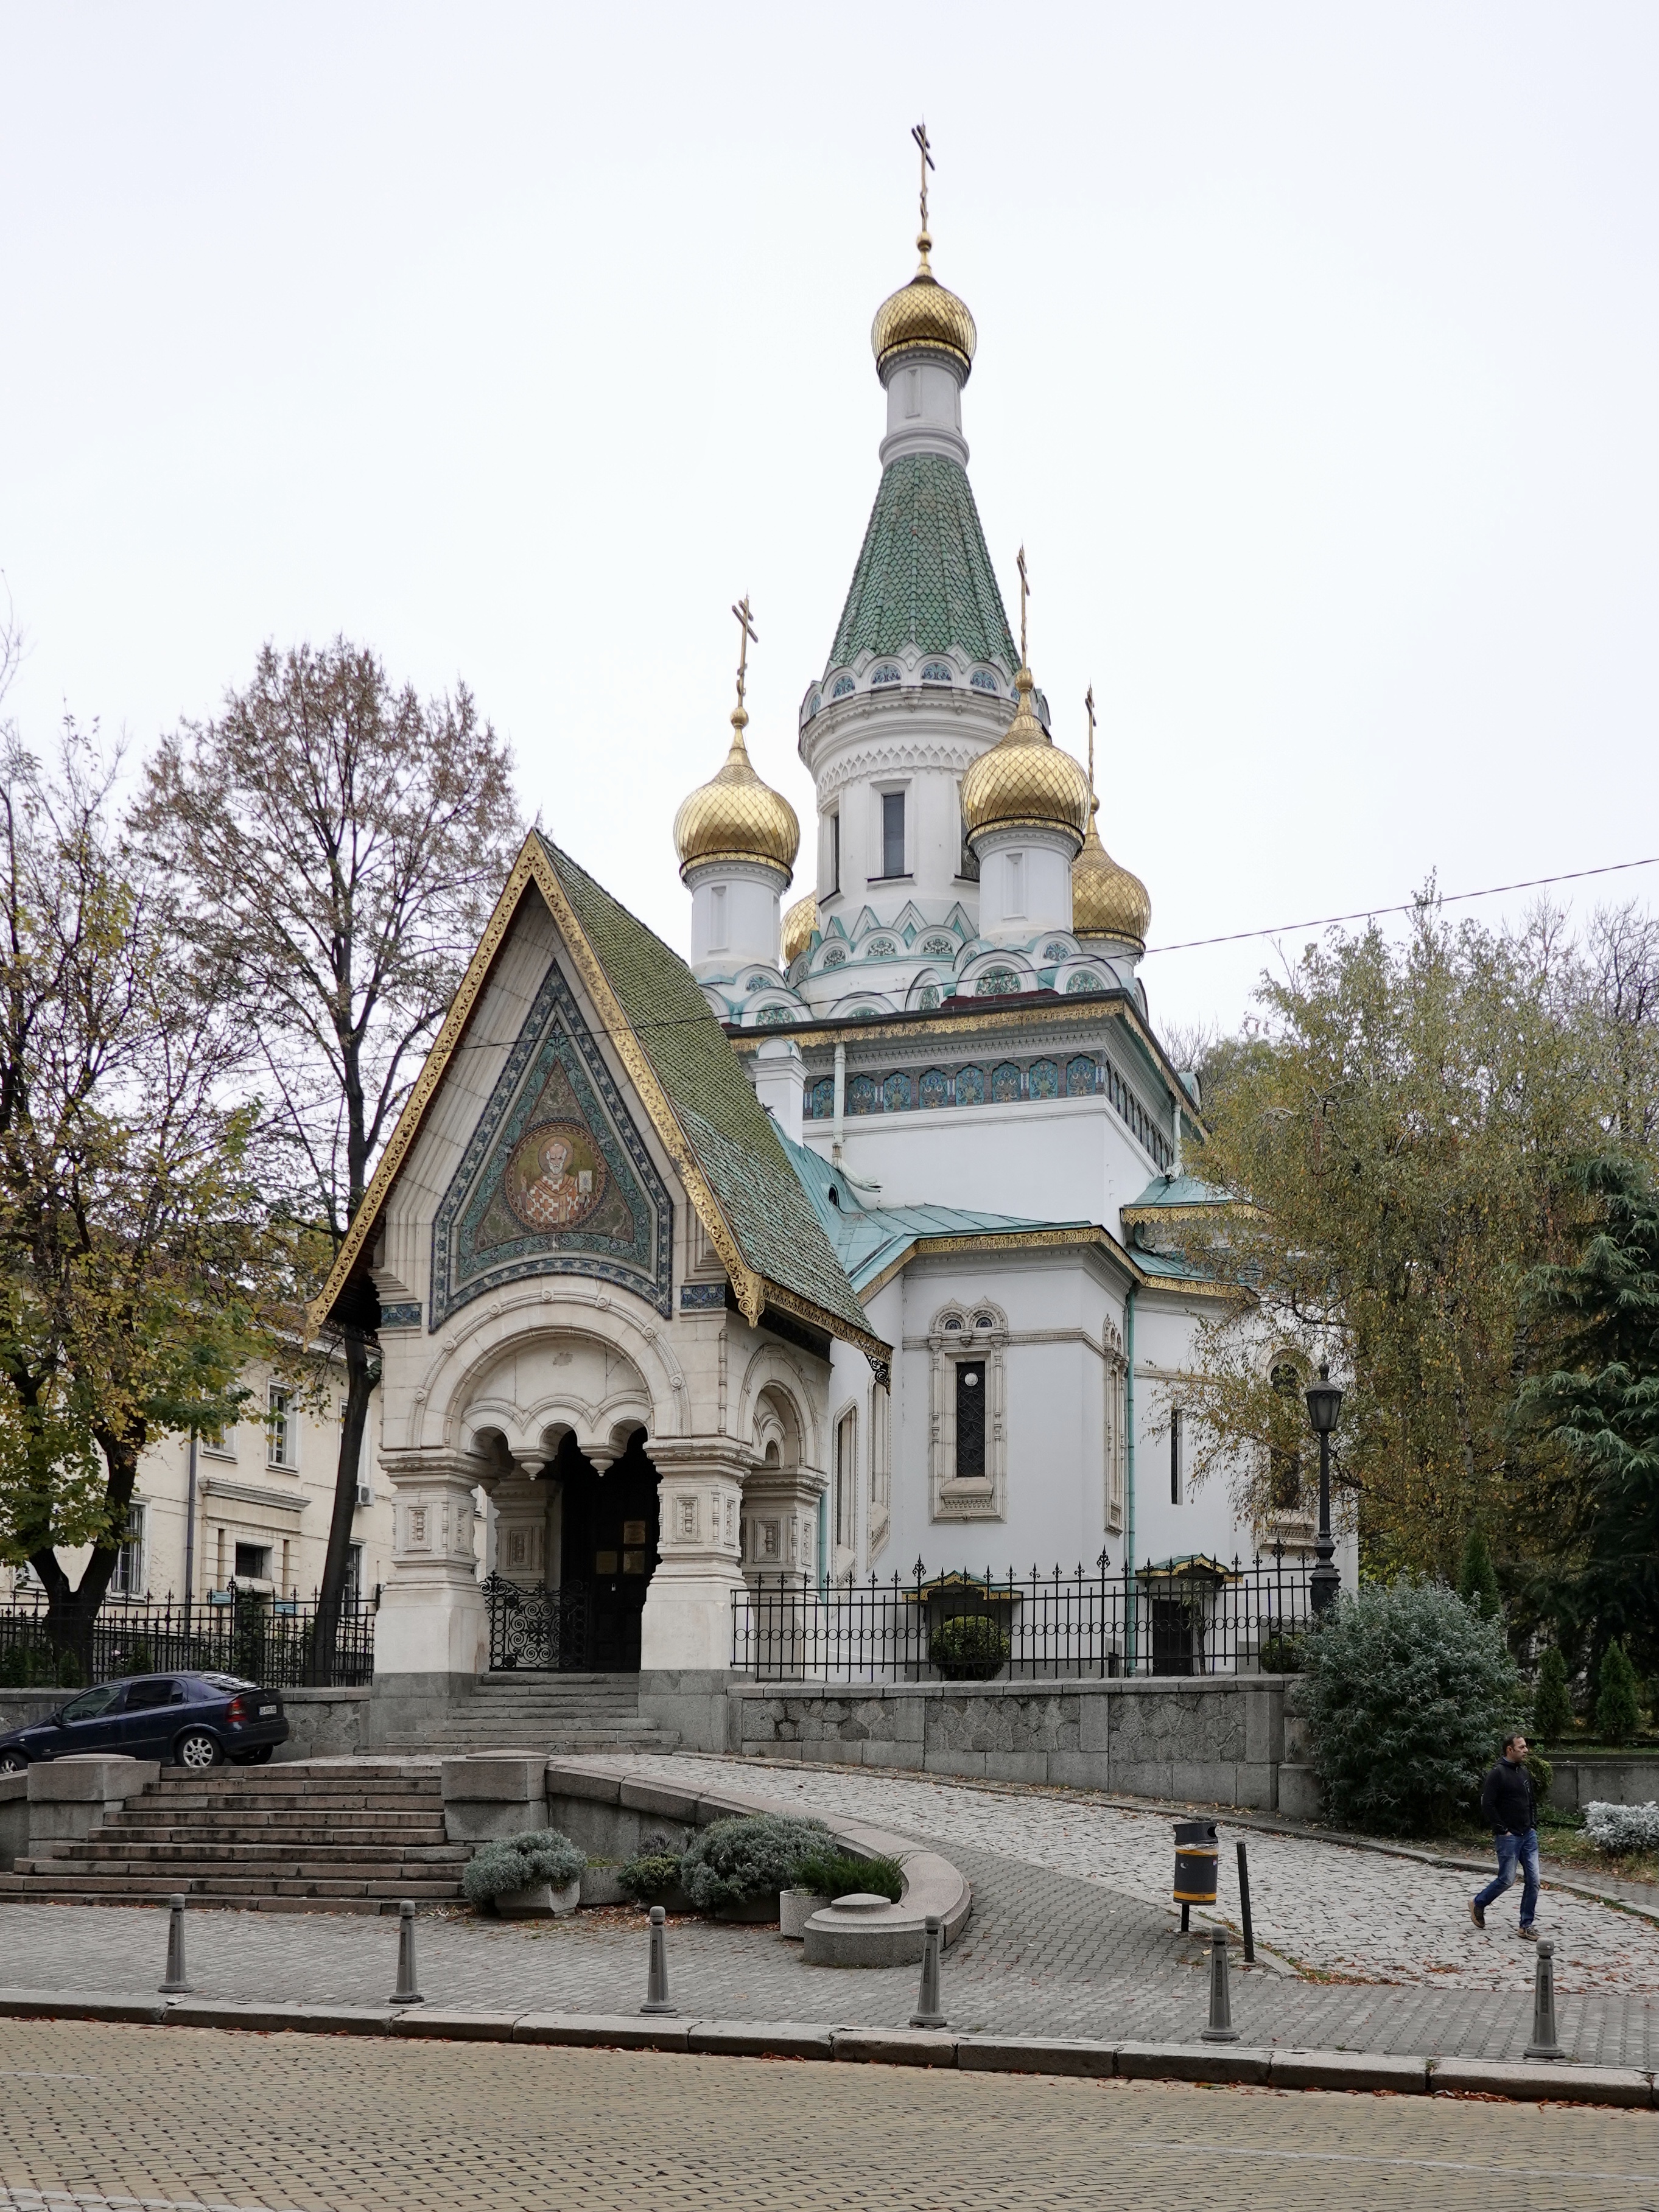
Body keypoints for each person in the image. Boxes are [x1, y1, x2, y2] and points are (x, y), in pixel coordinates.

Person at [1469, 1731, 1539, 1938]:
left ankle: (1526, 1925)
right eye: (1522, 1747)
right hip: (1509, 1837)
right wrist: (1503, 1829)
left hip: (1528, 1835)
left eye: (1526, 1746)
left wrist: (1533, 1824)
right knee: (1507, 1879)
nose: (1526, 1750)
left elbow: (1532, 1801)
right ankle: (1478, 1903)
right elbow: (1488, 1804)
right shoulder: (1497, 1774)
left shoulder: (1524, 1773)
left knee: (1534, 1880)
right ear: (1510, 1750)